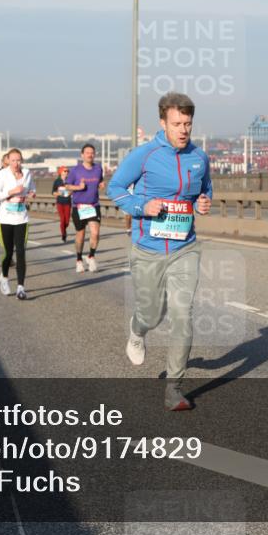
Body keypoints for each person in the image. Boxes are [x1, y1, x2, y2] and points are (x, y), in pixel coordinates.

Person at [108, 92, 212, 411]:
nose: (183, 130)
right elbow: (114, 189)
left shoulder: (199, 157)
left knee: (183, 316)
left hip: (185, 248)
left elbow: (204, 191)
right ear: (163, 123)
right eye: (177, 123)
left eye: (188, 124)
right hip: (148, 249)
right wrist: (142, 205)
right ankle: (137, 330)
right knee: (153, 314)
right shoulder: (145, 155)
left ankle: (174, 388)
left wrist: (203, 203)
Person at [0, 149, 36, 300]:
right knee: (9, 253)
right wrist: (11, 191)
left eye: (19, 160)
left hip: (21, 217)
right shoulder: (2, 174)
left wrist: (31, 193)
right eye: (13, 160)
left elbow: (31, 187)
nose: (16, 163)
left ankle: (21, 288)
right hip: (5, 218)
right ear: (8, 161)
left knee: (21, 251)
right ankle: (4, 277)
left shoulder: (27, 173)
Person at [64, 144, 105, 273]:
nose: (90, 155)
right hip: (79, 206)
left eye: (92, 152)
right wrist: (78, 188)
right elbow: (67, 186)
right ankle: (79, 260)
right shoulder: (75, 170)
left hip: (93, 205)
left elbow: (100, 181)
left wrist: (101, 184)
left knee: (95, 232)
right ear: (82, 155)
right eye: (87, 152)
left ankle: (91, 256)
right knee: (80, 235)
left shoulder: (98, 168)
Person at [51, 166, 72, 242]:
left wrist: (71, 192)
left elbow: (74, 189)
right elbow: (53, 192)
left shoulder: (70, 181)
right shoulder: (57, 181)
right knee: (62, 219)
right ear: (61, 172)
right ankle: (63, 234)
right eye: (65, 171)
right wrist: (58, 193)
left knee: (67, 221)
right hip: (60, 202)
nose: (66, 172)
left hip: (68, 203)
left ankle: (64, 230)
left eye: (67, 171)